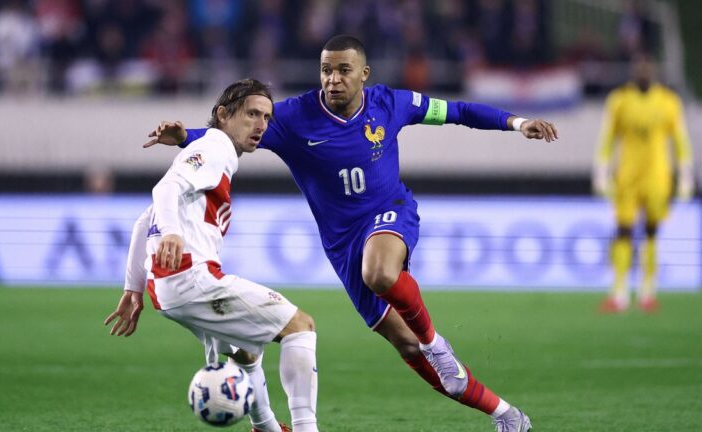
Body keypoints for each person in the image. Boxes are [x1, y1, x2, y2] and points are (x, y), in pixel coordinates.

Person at [147, 35, 558, 432]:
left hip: (390, 213)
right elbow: (229, 135)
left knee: (379, 274)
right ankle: (506, 414)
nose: (333, 79)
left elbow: (458, 111)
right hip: (343, 246)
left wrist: (518, 123)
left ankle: (436, 343)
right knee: (406, 345)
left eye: (343, 70)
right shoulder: (292, 118)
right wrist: (184, 138)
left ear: (364, 74)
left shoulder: (392, 104)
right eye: (326, 70)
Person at [105, 79, 318, 432]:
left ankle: (266, 427)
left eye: (266, 117)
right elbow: (165, 188)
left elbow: (144, 221)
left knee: (244, 352)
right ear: (223, 115)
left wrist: (133, 288)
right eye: (252, 114)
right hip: (192, 278)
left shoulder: (214, 152)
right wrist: (172, 232)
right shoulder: (215, 147)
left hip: (168, 289)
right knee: (301, 326)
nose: (261, 125)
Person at [592, 53, 694, 313]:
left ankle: (648, 292)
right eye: (640, 68)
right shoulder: (619, 100)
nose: (643, 72)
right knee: (623, 231)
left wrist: (686, 174)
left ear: (654, 72)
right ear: (634, 71)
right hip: (627, 176)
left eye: (647, 68)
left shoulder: (669, 101)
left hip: (657, 176)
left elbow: (680, 140)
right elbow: (607, 137)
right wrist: (601, 171)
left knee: (651, 232)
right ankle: (619, 294)